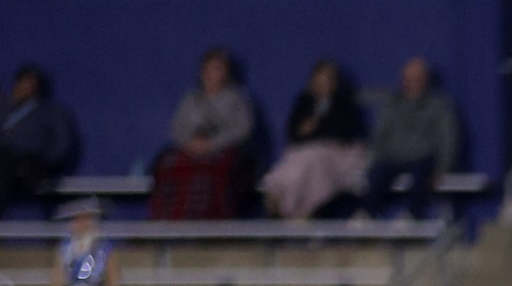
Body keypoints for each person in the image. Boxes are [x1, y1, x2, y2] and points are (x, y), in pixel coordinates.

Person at [261, 59, 369, 221]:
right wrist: (309, 131)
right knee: (294, 162)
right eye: (319, 79)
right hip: (304, 152)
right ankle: (278, 203)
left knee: (312, 160)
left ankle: (302, 212)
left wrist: (314, 128)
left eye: (328, 79)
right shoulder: (304, 101)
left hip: (334, 155)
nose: (323, 84)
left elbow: (343, 133)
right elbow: (293, 133)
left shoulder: (344, 103)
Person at [153, 48, 254, 220]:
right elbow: (177, 128)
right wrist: (190, 144)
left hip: (222, 150)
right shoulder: (190, 98)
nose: (213, 74)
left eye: (218, 69)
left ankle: (213, 223)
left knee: (213, 170)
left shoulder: (237, 98)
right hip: (190, 149)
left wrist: (211, 144)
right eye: (209, 69)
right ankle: (169, 221)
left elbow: (243, 129)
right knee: (168, 165)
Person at [364, 57, 460, 219]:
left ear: (426, 80)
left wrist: (443, 169)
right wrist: (374, 157)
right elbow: (379, 135)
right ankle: (368, 213)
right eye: (408, 80)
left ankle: (413, 215)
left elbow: (448, 139)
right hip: (393, 157)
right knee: (376, 173)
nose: (412, 84)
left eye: (417, 80)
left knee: (422, 174)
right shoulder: (393, 103)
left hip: (423, 158)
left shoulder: (439, 105)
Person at [0, 65, 81, 216]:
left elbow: (61, 144)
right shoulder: (3, 106)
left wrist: (46, 163)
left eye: (31, 83)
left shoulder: (51, 112)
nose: (26, 87)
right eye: (23, 82)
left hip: (33, 165)